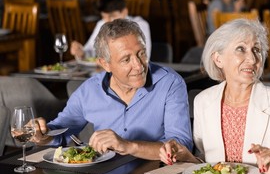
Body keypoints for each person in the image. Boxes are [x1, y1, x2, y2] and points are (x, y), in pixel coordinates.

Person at [159, 18, 270, 174]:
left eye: (256, 50)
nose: (253, 59)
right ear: (218, 59)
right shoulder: (203, 101)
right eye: (241, 49)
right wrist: (189, 159)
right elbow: (208, 161)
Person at [32, 18, 192, 160]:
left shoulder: (170, 82)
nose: (138, 65)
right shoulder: (89, 90)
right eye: (126, 59)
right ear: (105, 64)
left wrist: (128, 146)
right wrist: (42, 134)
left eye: (141, 53)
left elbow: (181, 146)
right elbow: (61, 131)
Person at [70, 0, 152, 60]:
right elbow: (91, 50)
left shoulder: (140, 25)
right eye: (104, 16)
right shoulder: (102, 23)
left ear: (124, 12)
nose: (107, 21)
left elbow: (144, 56)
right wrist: (81, 52)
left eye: (112, 16)